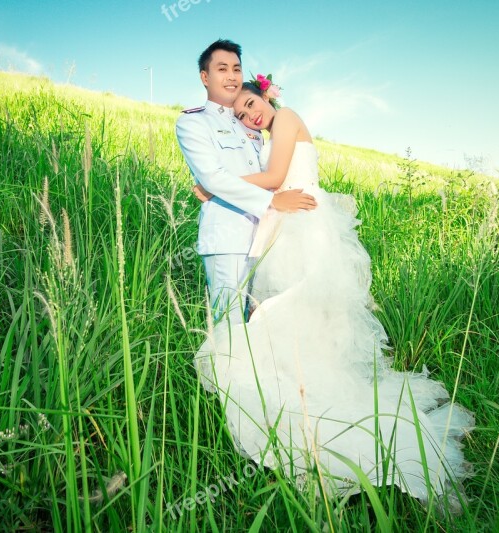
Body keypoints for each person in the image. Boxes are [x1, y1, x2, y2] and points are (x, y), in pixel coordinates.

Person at [193, 80, 475, 512]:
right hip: (287, 224)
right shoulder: (268, 132)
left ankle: (320, 408)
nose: (250, 115)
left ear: (266, 96)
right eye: (241, 114)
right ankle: (306, 390)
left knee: (294, 309)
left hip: (307, 224)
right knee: (297, 321)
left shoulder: (285, 118)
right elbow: (270, 186)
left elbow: (272, 177)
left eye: (251, 103)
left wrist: (214, 187)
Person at [175, 39, 317, 325]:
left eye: (237, 69)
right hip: (227, 236)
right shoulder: (193, 122)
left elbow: (272, 175)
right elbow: (213, 176)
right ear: (205, 77)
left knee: (262, 325)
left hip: (266, 237)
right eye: (222, 69)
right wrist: (270, 200)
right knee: (230, 325)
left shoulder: (253, 124)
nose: (231, 76)